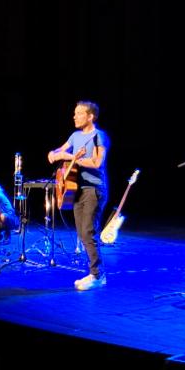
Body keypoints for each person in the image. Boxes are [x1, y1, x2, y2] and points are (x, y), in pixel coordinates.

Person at [47, 101, 109, 290]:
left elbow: (98, 162)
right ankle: (93, 273)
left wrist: (74, 159)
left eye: (79, 113)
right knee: (82, 233)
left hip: (94, 189)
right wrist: (55, 154)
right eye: (74, 113)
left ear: (90, 116)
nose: (74, 116)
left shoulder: (99, 136)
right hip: (75, 190)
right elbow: (58, 152)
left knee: (88, 231)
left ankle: (98, 276)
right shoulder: (75, 136)